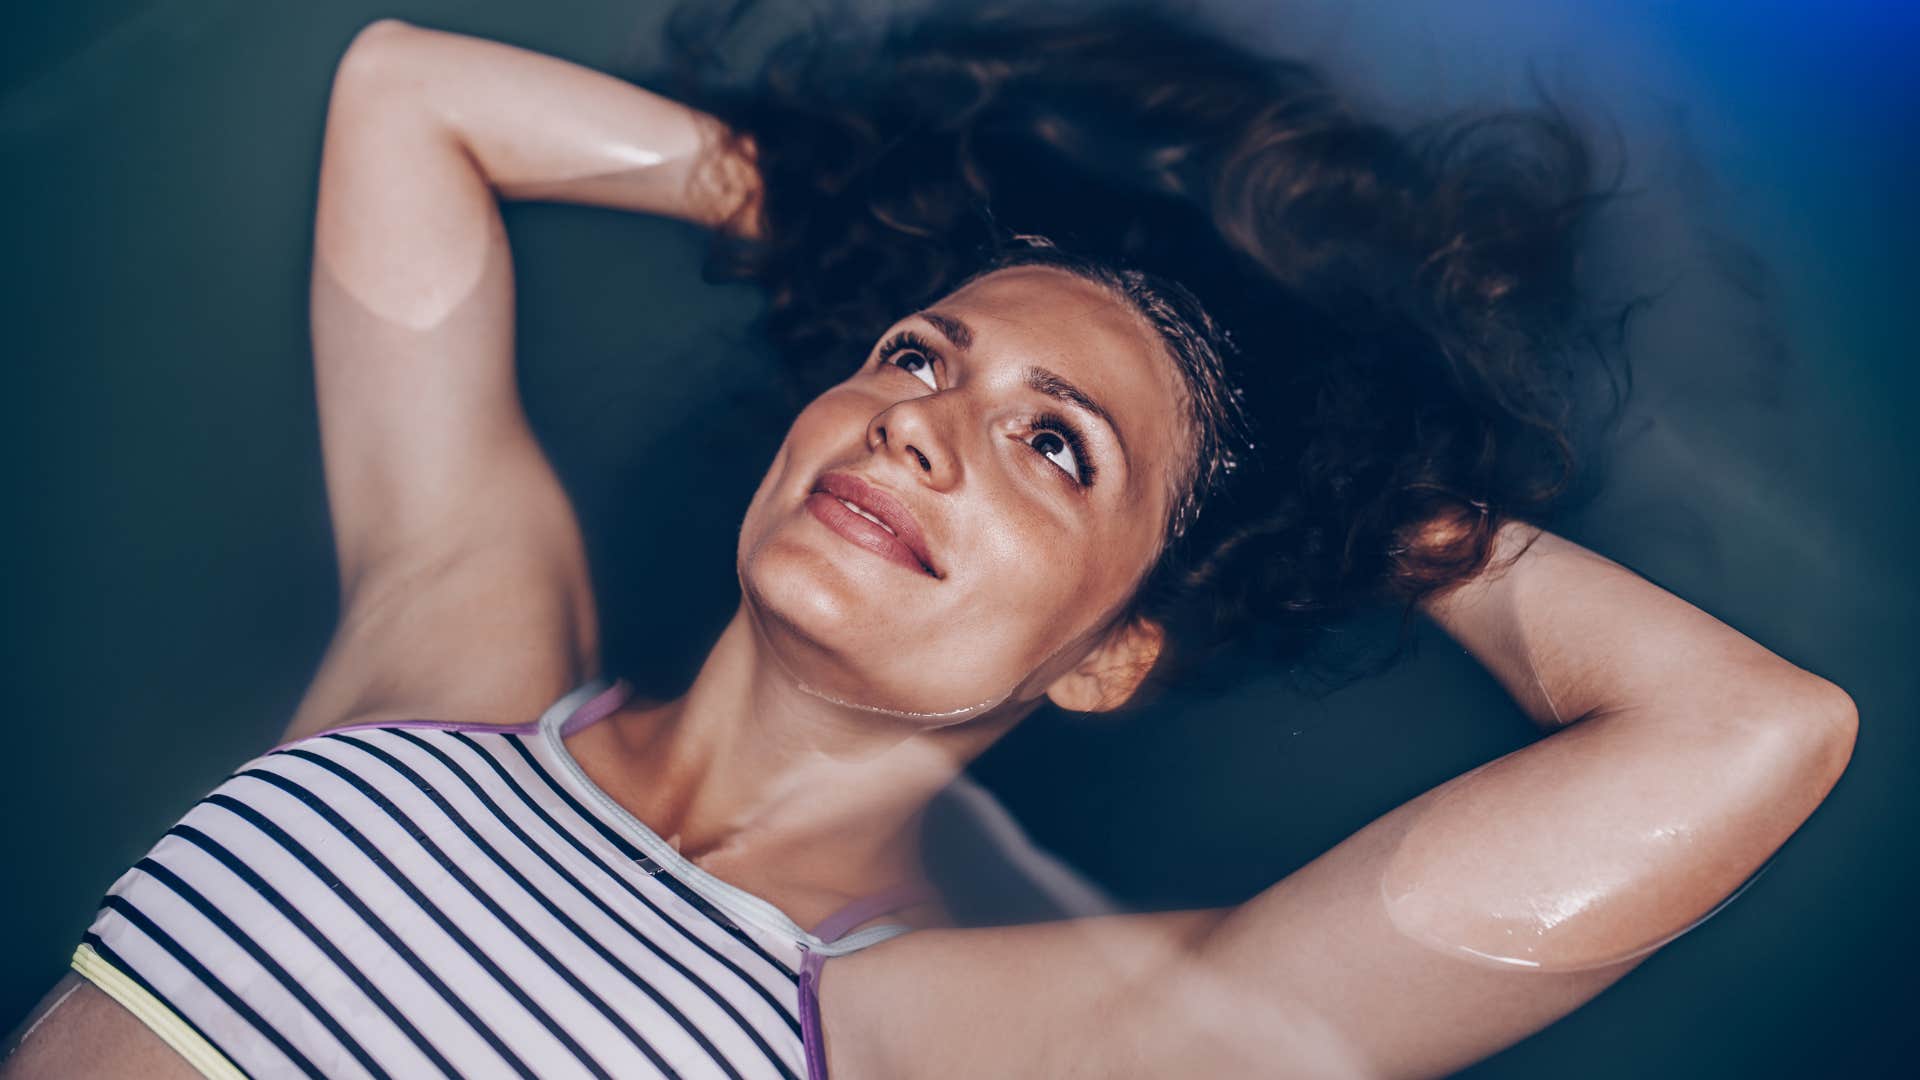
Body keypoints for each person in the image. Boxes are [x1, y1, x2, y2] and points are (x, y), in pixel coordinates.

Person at [3, 4, 1857, 1077]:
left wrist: (1374, 512)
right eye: (914, 356)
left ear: (1111, 649)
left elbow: (1754, 734)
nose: (922, 419)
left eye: (1054, 447)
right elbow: (409, 89)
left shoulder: (965, 1042)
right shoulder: (451, 667)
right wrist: (835, 225)